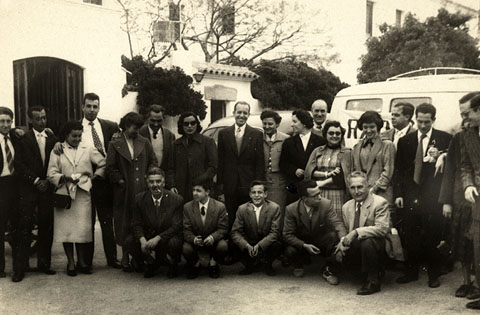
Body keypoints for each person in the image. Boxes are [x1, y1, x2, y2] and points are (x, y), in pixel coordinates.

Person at [394, 103, 452, 288]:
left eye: (427, 122)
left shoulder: (444, 139)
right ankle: (411, 271)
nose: (423, 125)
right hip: (411, 196)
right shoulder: (406, 141)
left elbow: (450, 170)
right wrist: (399, 194)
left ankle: (433, 274)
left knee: (432, 235)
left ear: (433, 120)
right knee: (410, 234)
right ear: (415, 119)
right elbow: (400, 171)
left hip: (433, 197)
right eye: (419, 121)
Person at [47, 120, 106, 276]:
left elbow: (103, 163)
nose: (77, 139)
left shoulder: (88, 149)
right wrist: (65, 177)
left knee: (81, 230)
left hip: (82, 193)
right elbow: (51, 174)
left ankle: (82, 262)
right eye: (74, 136)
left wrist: (94, 178)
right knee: (66, 230)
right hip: (64, 194)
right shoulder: (58, 150)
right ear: (66, 135)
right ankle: (70, 263)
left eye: (80, 136)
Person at [439, 94, 480, 299]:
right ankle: (467, 283)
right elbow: (454, 169)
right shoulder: (462, 136)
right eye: (461, 114)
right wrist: (447, 200)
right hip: (464, 197)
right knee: (465, 244)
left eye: (466, 113)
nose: (464, 118)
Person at [106, 112, 158, 271]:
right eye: (135, 128)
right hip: (124, 191)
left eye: (139, 128)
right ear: (126, 125)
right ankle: (125, 257)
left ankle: (140, 257)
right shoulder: (115, 143)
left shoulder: (144, 142)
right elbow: (110, 167)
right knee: (124, 223)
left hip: (141, 189)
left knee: (140, 222)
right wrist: (120, 180)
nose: (137, 131)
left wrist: (148, 176)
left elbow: (153, 161)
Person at [13, 106, 57, 282]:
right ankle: (20, 267)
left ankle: (44, 263)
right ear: (30, 120)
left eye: (44, 118)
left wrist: (47, 180)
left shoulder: (52, 138)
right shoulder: (23, 139)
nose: (42, 121)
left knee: (46, 226)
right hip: (29, 189)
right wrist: (35, 180)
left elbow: (56, 161)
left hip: (46, 189)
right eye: (38, 118)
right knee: (24, 228)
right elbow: (19, 164)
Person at [79, 93, 121, 270]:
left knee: (106, 221)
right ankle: (87, 262)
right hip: (84, 180)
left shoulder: (110, 126)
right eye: (88, 106)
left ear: (99, 107)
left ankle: (112, 259)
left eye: (95, 106)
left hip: (104, 181)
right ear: (82, 107)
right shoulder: (75, 127)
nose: (91, 110)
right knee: (87, 222)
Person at [335, 171, 390, 295]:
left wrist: (356, 232)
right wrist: (342, 241)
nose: (356, 191)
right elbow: (344, 229)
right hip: (356, 248)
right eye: (352, 187)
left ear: (368, 186)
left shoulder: (380, 203)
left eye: (360, 187)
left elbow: (382, 229)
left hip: (376, 247)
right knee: (334, 240)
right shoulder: (346, 206)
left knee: (367, 240)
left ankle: (373, 281)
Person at [283, 179, 346, 283]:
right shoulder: (291, 209)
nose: (320, 197)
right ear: (304, 199)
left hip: (319, 240)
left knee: (333, 236)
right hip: (301, 243)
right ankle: (298, 263)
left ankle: (328, 269)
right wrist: (304, 245)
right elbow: (287, 234)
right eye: (315, 196)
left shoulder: (325, 204)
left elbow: (337, 223)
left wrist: (343, 239)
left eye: (319, 193)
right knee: (290, 250)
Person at [128, 167, 183, 278]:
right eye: (151, 182)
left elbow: (176, 226)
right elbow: (136, 223)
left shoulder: (176, 199)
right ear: (147, 183)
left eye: (158, 181)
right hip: (150, 234)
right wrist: (142, 240)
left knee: (174, 242)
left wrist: (158, 238)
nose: (155, 185)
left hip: (167, 236)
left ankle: (173, 264)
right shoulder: (139, 199)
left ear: (164, 182)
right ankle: (150, 262)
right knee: (130, 241)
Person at [217, 101, 265, 229]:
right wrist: (220, 186)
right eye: (239, 112)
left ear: (248, 115)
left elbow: (259, 162)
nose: (242, 115)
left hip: (248, 184)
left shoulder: (256, 134)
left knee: (248, 216)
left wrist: (257, 185)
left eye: (245, 113)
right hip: (230, 184)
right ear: (234, 113)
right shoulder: (224, 134)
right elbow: (220, 161)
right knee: (231, 217)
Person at [231, 181, 282, 276]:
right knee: (233, 244)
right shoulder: (242, 209)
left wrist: (260, 245)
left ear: (265, 194)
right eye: (254, 192)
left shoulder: (274, 208)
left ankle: (268, 264)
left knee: (277, 244)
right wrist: (246, 245)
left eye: (260, 192)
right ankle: (248, 265)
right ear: (250, 194)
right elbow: (235, 232)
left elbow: (275, 232)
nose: (256, 195)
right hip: (249, 241)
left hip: (265, 241)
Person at [345, 111, 395, 204]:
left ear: (378, 127)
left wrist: (374, 189)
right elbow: (356, 169)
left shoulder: (387, 145)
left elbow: (388, 172)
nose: (368, 130)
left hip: (381, 193)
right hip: (362, 193)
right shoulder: (358, 146)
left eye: (372, 127)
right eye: (365, 127)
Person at [459, 94, 480, 309]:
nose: (465, 118)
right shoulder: (468, 134)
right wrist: (468, 185)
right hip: (478, 201)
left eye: (468, 114)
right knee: (478, 247)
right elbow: (465, 165)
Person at [167, 112, 217, 202]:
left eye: (193, 123)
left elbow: (213, 166)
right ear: (181, 126)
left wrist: (201, 179)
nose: (189, 126)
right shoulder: (176, 144)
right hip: (181, 191)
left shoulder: (207, 142)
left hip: (202, 189)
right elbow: (170, 168)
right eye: (186, 124)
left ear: (197, 124)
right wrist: (172, 185)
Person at [182, 181, 228, 279]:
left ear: (207, 192)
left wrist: (213, 237)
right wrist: (194, 239)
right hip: (196, 242)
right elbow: (186, 229)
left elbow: (223, 228)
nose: (194, 193)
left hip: (212, 242)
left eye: (198, 190)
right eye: (193, 190)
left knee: (223, 246)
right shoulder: (188, 207)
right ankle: (196, 264)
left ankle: (213, 263)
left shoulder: (219, 207)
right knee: (186, 248)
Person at [305, 120, 350, 219]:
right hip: (318, 194)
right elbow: (309, 172)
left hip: (338, 194)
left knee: (336, 222)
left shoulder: (347, 152)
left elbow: (345, 174)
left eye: (338, 133)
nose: (334, 136)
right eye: (331, 133)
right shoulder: (317, 151)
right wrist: (326, 174)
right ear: (325, 134)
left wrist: (322, 182)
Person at [280, 109, 326, 204]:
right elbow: (283, 163)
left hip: (314, 186)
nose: (292, 125)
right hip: (294, 187)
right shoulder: (289, 142)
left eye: (295, 121)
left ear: (304, 123)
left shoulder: (320, 141)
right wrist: (294, 170)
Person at [0, 107, 20, 279]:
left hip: (15, 185)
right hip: (1, 186)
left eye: (8, 121)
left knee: (17, 228)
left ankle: (18, 269)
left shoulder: (15, 136)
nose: (5, 125)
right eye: (2, 121)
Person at [261, 110, 289, 229]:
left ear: (277, 124)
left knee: (278, 210)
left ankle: (277, 239)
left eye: (270, 124)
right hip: (262, 179)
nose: (267, 127)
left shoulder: (285, 139)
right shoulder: (258, 137)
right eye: (265, 123)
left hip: (279, 182)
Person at [139, 104, 175, 171]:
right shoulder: (140, 133)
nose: (156, 124)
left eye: (159, 121)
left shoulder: (170, 136)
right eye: (153, 120)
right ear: (147, 118)